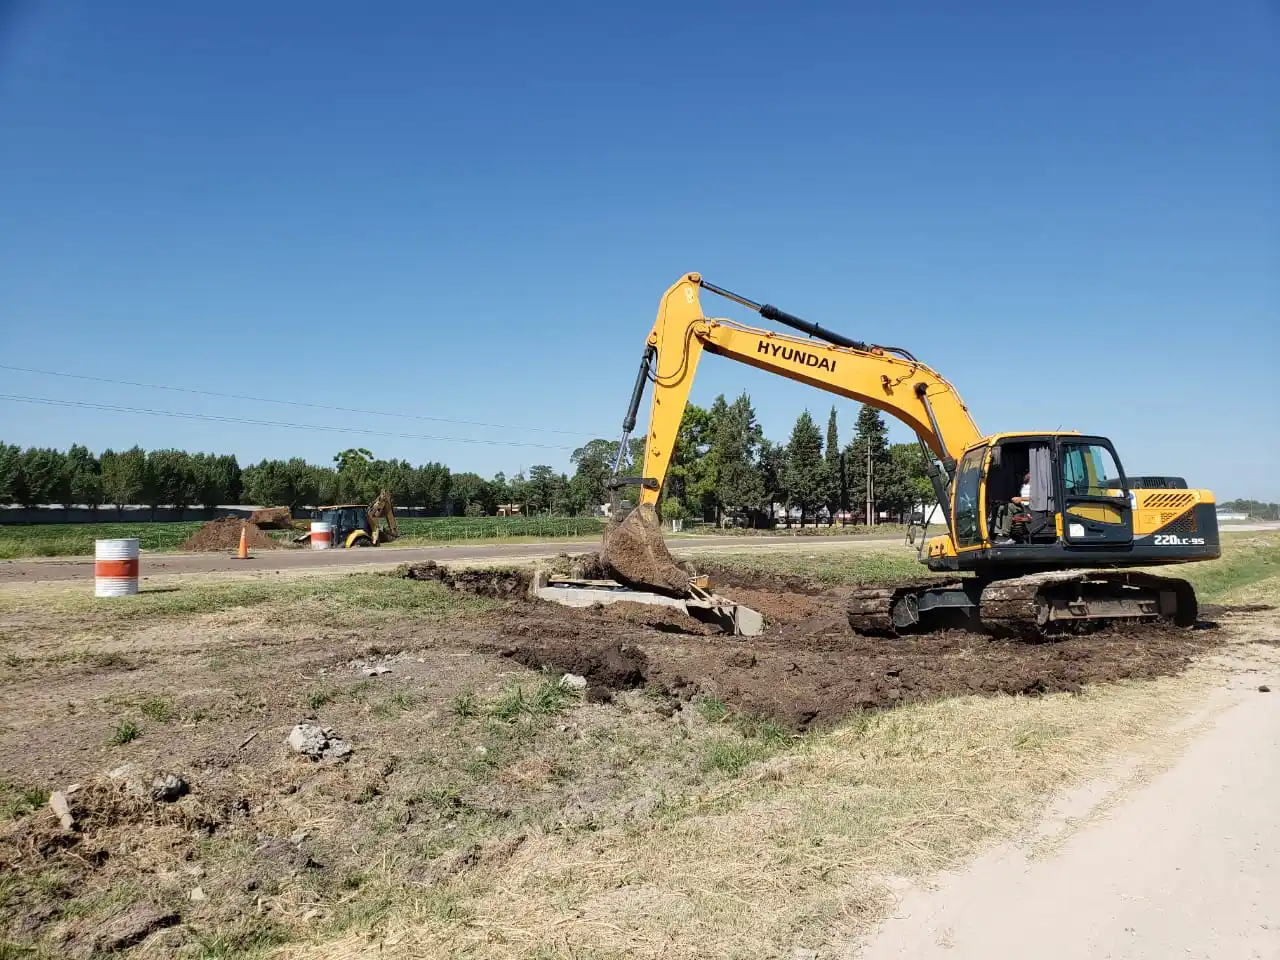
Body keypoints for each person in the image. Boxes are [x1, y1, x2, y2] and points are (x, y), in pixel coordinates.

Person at [994, 471, 1031, 543]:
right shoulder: (1023, 485)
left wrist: (1021, 499)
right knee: (1001, 506)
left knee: (1009, 507)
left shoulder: (1036, 486)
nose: (1025, 475)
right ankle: (999, 533)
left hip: (1029, 507)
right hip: (1021, 505)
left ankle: (1005, 534)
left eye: (1027, 473)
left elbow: (1036, 498)